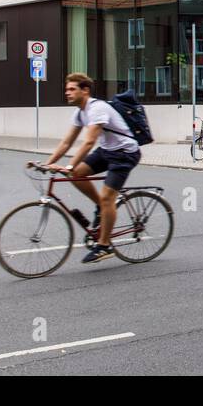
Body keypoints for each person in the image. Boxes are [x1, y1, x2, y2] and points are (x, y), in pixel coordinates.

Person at [39, 73, 142, 264]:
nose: (67, 93)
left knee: (106, 197)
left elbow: (88, 143)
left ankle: (104, 246)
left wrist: (69, 165)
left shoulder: (97, 109)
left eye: (72, 89)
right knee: (77, 175)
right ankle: (101, 208)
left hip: (125, 153)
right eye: (66, 89)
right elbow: (66, 142)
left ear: (85, 90)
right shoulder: (80, 112)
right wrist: (47, 163)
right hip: (107, 150)